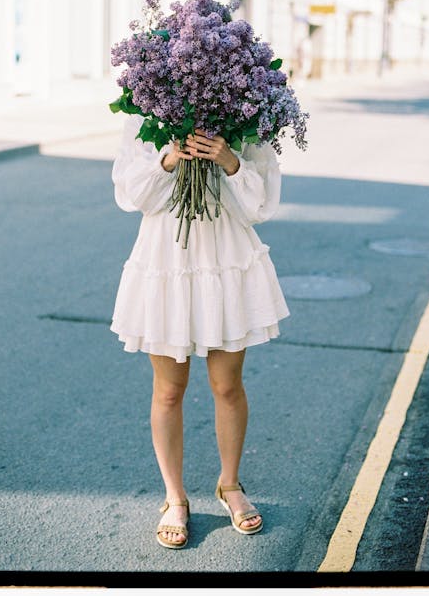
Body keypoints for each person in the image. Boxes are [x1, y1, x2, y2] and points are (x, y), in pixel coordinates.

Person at [110, 113, 290, 549]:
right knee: (168, 390)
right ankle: (175, 497)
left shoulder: (247, 108)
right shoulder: (145, 108)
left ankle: (230, 485)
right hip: (167, 258)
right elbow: (132, 195)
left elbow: (260, 205)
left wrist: (230, 159)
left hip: (225, 257)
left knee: (227, 386)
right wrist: (169, 159)